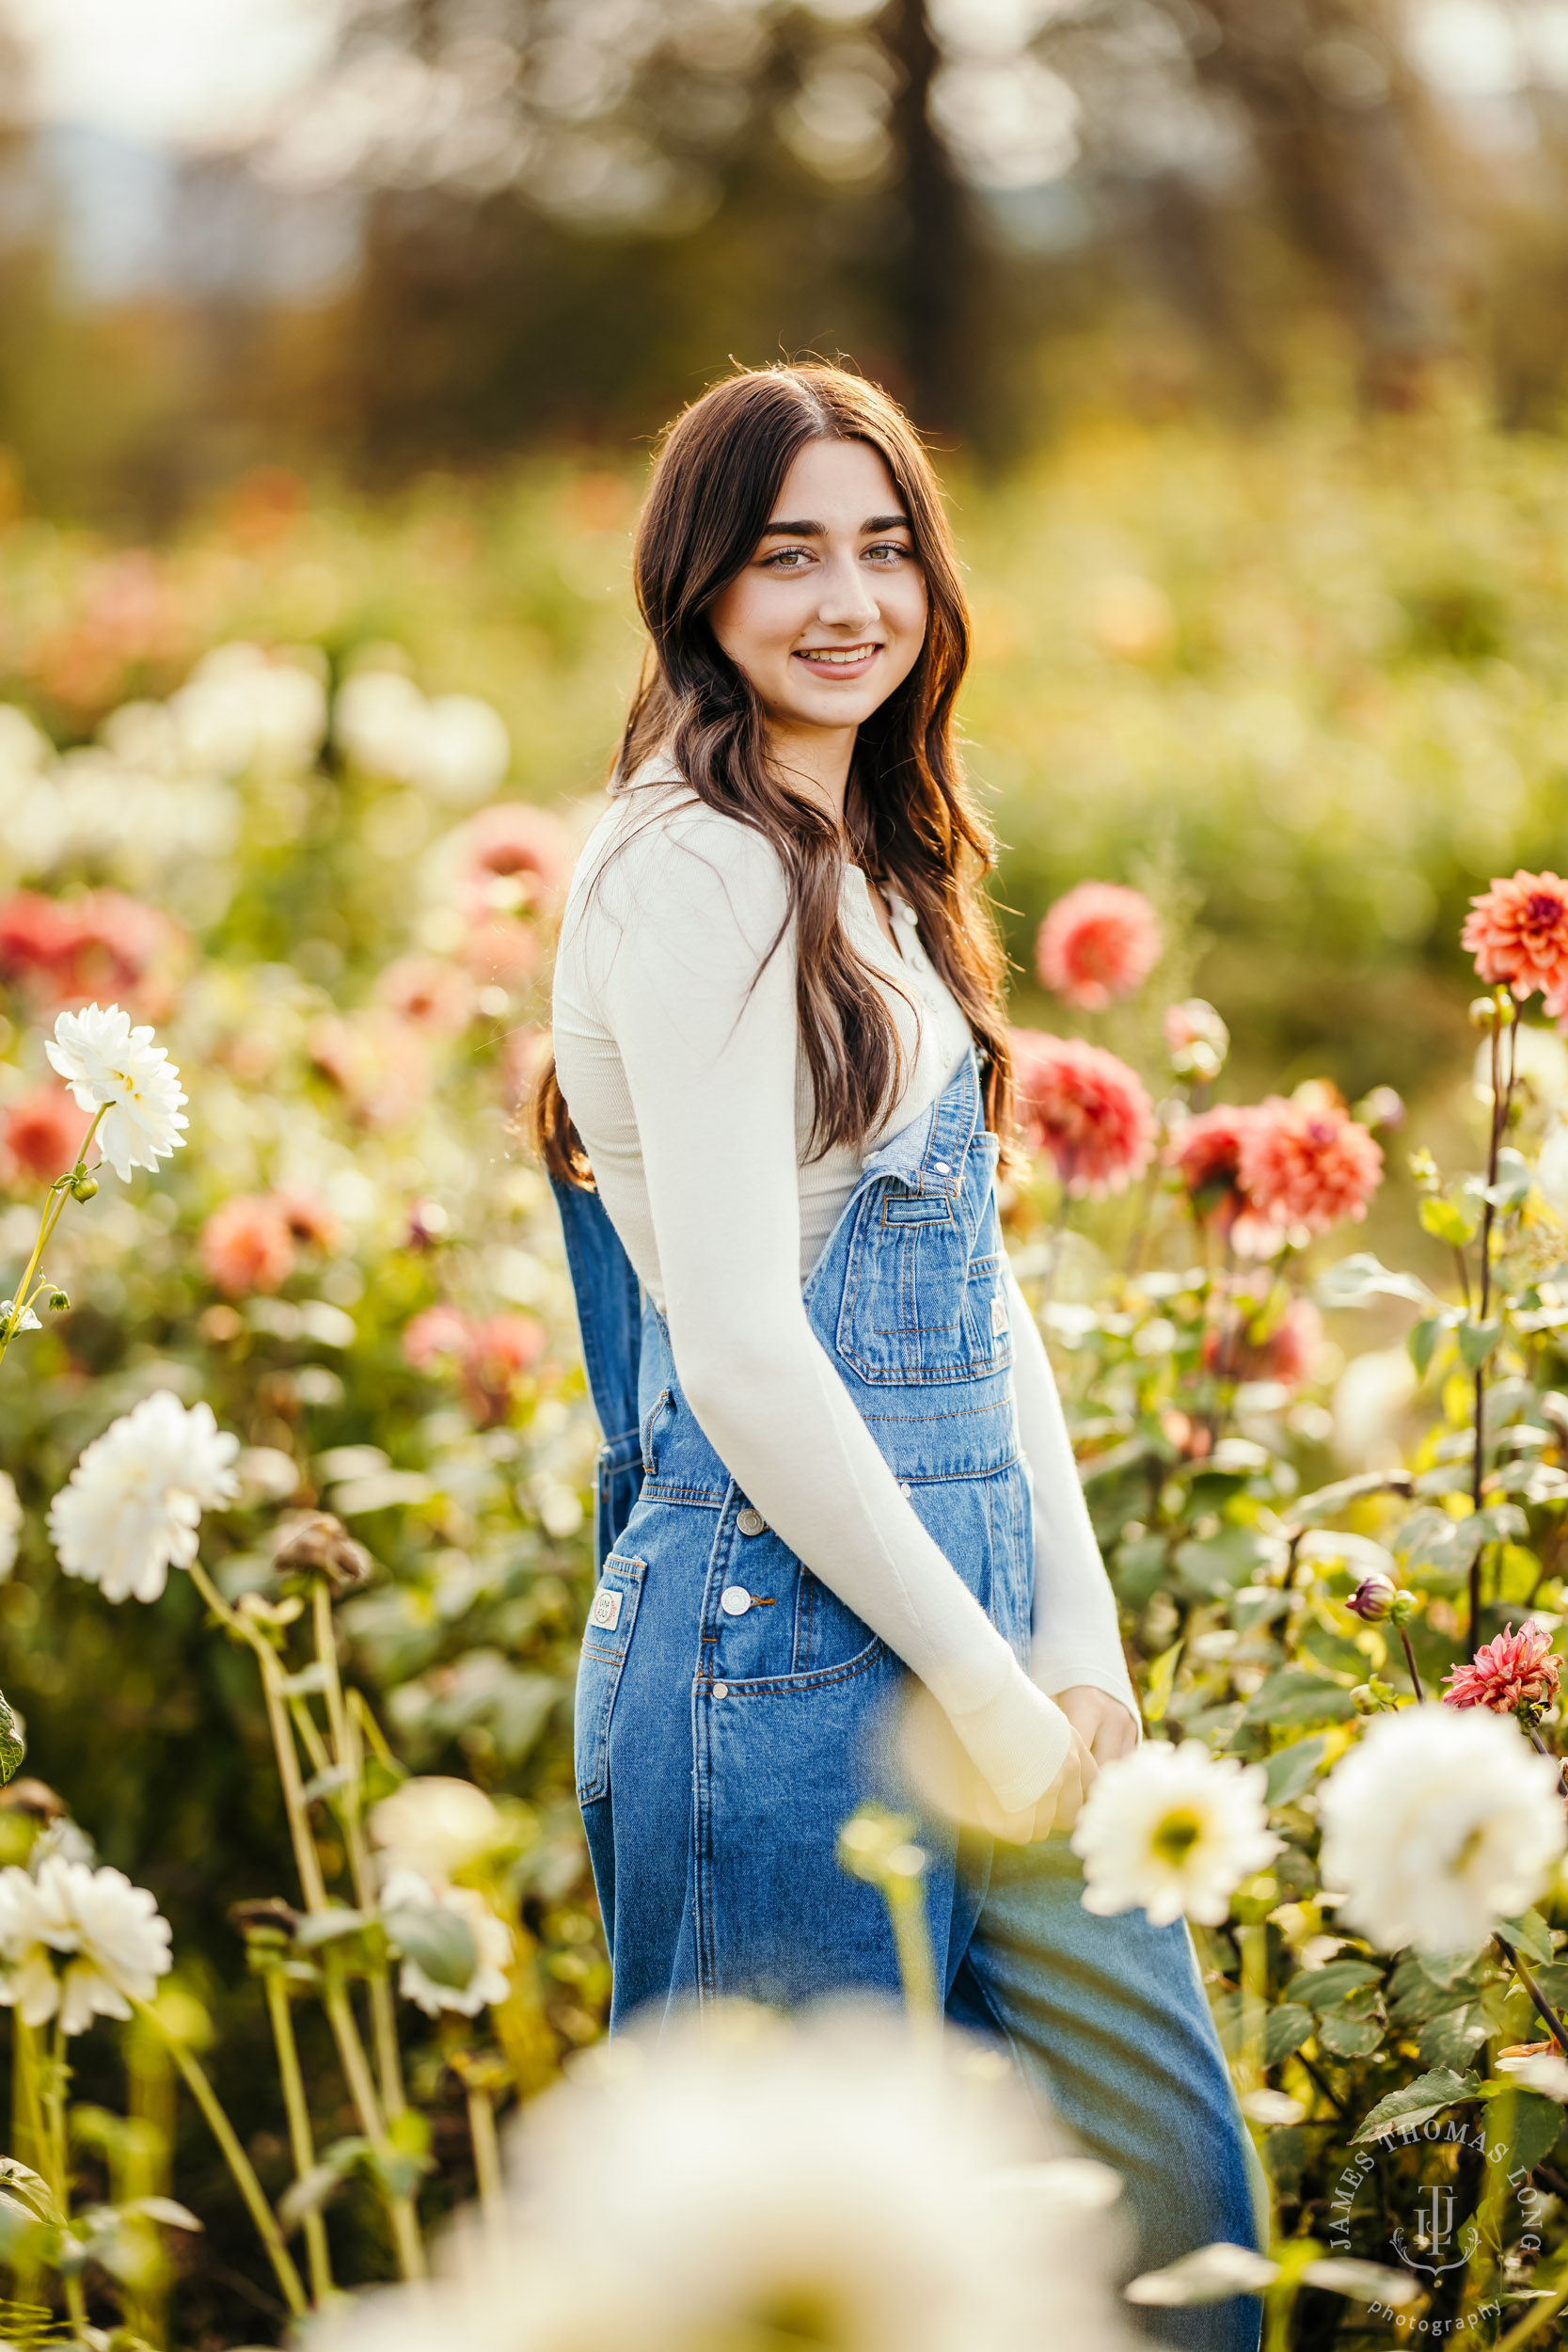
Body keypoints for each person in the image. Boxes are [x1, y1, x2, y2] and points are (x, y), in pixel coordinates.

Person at [536, 363, 1259, 2348]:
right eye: (789, 555)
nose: (847, 598)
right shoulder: (687, 859)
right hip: (774, 1646)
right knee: (821, 2279)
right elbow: (752, 1348)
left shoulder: (877, 857)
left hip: (974, 1618)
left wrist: (1074, 1642)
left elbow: (979, 1291)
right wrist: (982, 1680)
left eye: (885, 546)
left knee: (1179, 2220)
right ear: (699, 587)